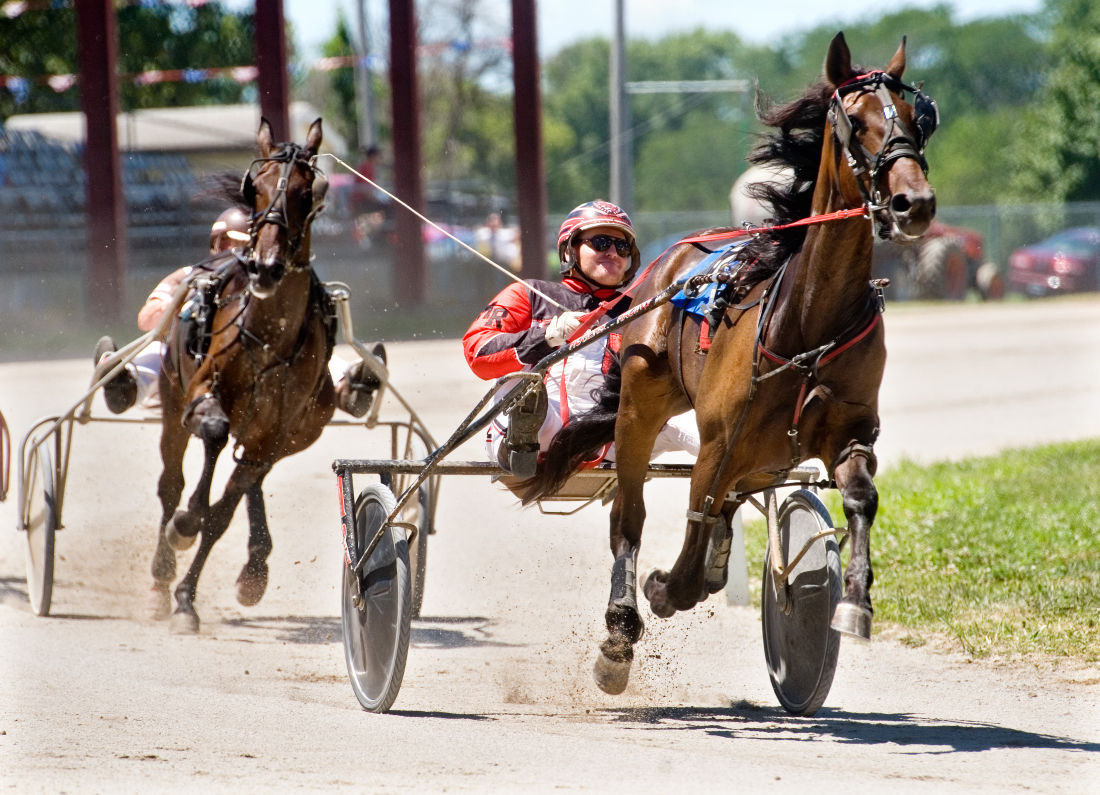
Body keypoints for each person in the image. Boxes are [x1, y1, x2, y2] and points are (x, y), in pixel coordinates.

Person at [462, 199, 698, 478]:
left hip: (616, 432)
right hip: (542, 430)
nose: (612, 252)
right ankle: (524, 435)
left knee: (692, 418)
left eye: (621, 246)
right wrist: (546, 336)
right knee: (528, 394)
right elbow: (478, 352)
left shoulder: (643, 308)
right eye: (600, 243)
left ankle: (737, 472)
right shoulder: (529, 295)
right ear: (570, 250)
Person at [94, 207, 383, 417]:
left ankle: (350, 386)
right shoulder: (191, 274)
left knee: (305, 352)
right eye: (223, 243)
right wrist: (187, 305)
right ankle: (123, 381)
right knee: (159, 351)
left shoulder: (266, 282)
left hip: (257, 363)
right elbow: (147, 319)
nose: (228, 251)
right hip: (187, 360)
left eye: (237, 243)